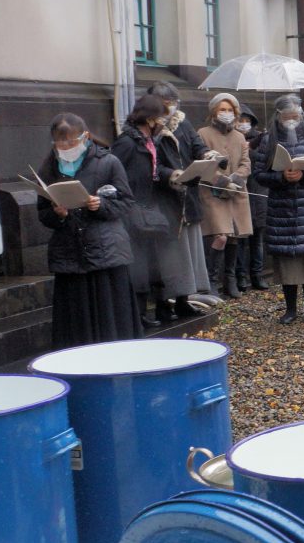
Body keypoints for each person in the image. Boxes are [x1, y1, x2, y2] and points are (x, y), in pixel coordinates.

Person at [36, 114, 140, 346]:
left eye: (71, 142)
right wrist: (57, 214)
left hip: (105, 250)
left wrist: (100, 204)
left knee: (109, 314)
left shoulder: (108, 162)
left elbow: (126, 202)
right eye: (60, 143)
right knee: (75, 319)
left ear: (86, 137)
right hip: (69, 254)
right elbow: (42, 213)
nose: (66, 148)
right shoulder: (48, 168)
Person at [112, 94, 198, 327]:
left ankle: (145, 313)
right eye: (160, 117)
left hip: (148, 208)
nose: (163, 122)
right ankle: (137, 316)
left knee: (150, 265)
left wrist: (171, 176)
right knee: (137, 267)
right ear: (149, 118)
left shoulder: (147, 140)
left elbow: (153, 171)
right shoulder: (127, 142)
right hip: (132, 211)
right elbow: (116, 174)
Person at [253, 94, 304, 324]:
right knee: (287, 262)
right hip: (281, 208)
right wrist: (281, 177)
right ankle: (290, 309)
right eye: (287, 117)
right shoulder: (268, 140)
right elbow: (259, 174)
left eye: (295, 116)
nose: (291, 121)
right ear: (278, 117)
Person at [146, 81, 213, 300]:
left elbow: (196, 144)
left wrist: (206, 155)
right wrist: (170, 174)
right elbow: (149, 163)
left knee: (190, 249)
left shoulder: (182, 123)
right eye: (166, 104)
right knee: (171, 254)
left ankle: (188, 295)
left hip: (187, 196)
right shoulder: (148, 128)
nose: (171, 108)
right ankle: (170, 297)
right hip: (164, 200)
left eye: (174, 103)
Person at [196, 93, 252, 298]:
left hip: (237, 192)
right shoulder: (203, 133)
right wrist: (221, 180)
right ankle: (212, 280)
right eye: (222, 109)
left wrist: (236, 179)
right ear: (214, 112)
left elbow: (246, 163)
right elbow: (202, 164)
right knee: (220, 234)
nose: (226, 113)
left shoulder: (239, 136)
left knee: (235, 236)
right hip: (213, 193)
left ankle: (230, 279)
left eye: (229, 110)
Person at [237, 104, 269, 290]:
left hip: (258, 193)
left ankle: (257, 274)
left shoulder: (261, 139)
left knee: (258, 239)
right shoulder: (232, 139)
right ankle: (241, 276)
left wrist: (250, 148)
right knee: (240, 239)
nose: (243, 124)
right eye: (240, 120)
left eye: (247, 121)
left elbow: (264, 160)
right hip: (240, 192)